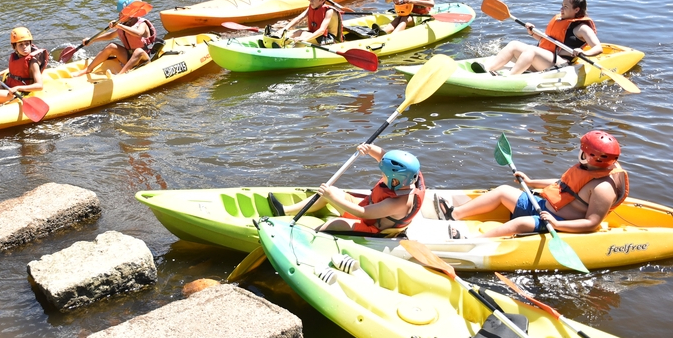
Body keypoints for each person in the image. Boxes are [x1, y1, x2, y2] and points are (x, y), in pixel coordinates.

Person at [437, 131, 629, 239]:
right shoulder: (588, 168)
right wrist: (530, 182)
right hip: (541, 206)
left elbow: (592, 223)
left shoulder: (603, 188)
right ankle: (453, 214)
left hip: (557, 223)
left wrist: (555, 224)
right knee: (503, 191)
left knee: (519, 223)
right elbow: (563, 184)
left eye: (583, 150)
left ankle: (472, 242)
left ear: (590, 155)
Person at [267, 145, 425, 234]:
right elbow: (383, 155)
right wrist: (369, 149)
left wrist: (333, 199)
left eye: (383, 175)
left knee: (337, 223)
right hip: (368, 207)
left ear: (395, 180)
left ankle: (303, 235)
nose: (381, 176)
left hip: (372, 227)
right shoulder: (408, 175)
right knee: (332, 190)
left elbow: (364, 214)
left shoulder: (399, 202)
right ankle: (285, 210)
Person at [476, 0, 603, 77]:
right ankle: (487, 69)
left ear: (576, 10)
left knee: (532, 50)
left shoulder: (583, 28)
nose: (561, 9)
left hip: (561, 63)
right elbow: (549, 42)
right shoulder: (560, 21)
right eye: (561, 6)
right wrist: (532, 33)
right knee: (514, 44)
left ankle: (510, 78)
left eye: (566, 6)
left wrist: (583, 52)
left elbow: (598, 48)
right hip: (545, 59)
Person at [73, 0, 159, 77]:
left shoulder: (142, 24)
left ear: (132, 13)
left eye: (122, 13)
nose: (119, 15)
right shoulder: (124, 24)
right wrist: (92, 40)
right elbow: (110, 36)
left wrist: (119, 26)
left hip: (143, 57)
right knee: (111, 46)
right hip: (129, 57)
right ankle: (87, 70)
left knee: (138, 51)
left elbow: (138, 33)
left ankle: (120, 75)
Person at [277, 0, 343, 45]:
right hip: (316, 35)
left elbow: (322, 30)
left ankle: (292, 49)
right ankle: (282, 43)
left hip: (329, 38)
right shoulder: (312, 7)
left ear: (322, 0)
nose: (310, 1)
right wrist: (284, 29)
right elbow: (298, 18)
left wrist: (305, 39)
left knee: (304, 34)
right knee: (298, 32)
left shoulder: (329, 11)